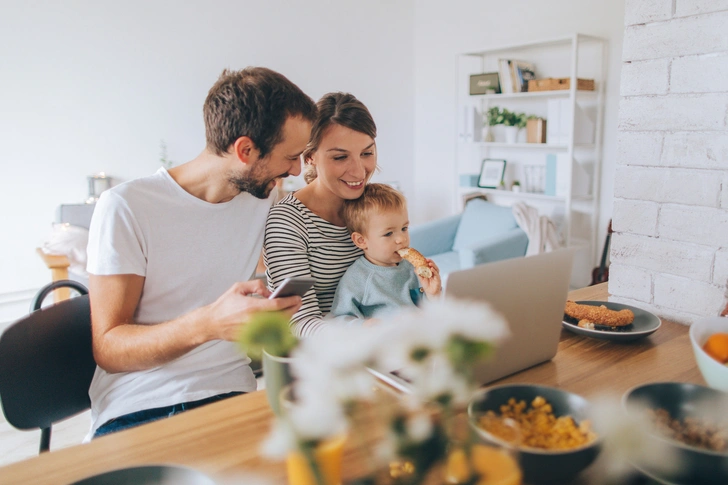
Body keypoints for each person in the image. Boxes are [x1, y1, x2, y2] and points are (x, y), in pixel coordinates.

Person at [85, 67, 317, 438]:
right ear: (245, 150)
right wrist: (208, 324)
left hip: (233, 397)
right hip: (142, 406)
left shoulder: (263, 197)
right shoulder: (127, 206)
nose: (296, 169)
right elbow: (109, 348)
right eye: (291, 156)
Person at [264, 92, 377, 337]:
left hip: (382, 348)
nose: (359, 171)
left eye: (367, 153)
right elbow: (300, 322)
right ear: (310, 157)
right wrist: (364, 333)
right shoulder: (288, 221)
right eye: (340, 157)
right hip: (324, 358)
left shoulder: (375, 206)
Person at [329, 183, 441, 325]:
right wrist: (364, 325)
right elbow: (339, 319)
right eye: (388, 233)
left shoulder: (412, 268)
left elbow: (429, 312)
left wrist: (432, 294)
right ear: (361, 240)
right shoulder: (357, 278)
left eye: (404, 228)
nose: (402, 239)